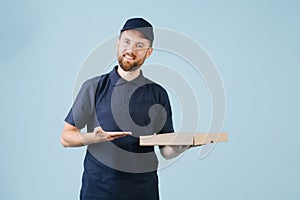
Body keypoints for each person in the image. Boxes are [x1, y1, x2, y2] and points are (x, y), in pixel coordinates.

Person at [61, 17, 187, 200]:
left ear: (149, 52)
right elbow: (66, 137)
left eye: (139, 45)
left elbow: (165, 150)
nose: (131, 50)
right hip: (98, 192)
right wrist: (92, 138)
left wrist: (178, 148)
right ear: (118, 43)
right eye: (127, 42)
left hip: (144, 193)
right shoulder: (94, 87)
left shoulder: (158, 94)